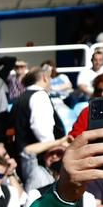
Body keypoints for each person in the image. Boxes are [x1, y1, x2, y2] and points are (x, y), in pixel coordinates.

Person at [12, 64, 68, 192]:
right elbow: (44, 133)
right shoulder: (40, 96)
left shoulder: (20, 98)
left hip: (26, 159)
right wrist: (55, 149)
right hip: (39, 163)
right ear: (44, 77)